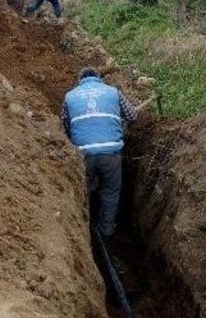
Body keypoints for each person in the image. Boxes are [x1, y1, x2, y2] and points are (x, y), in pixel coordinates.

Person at [61, 68, 157, 237]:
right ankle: (106, 230)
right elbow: (132, 116)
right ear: (98, 79)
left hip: (83, 153)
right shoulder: (113, 92)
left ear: (80, 80)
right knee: (110, 191)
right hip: (111, 152)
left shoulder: (70, 96)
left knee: (84, 190)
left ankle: (85, 228)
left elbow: (66, 126)